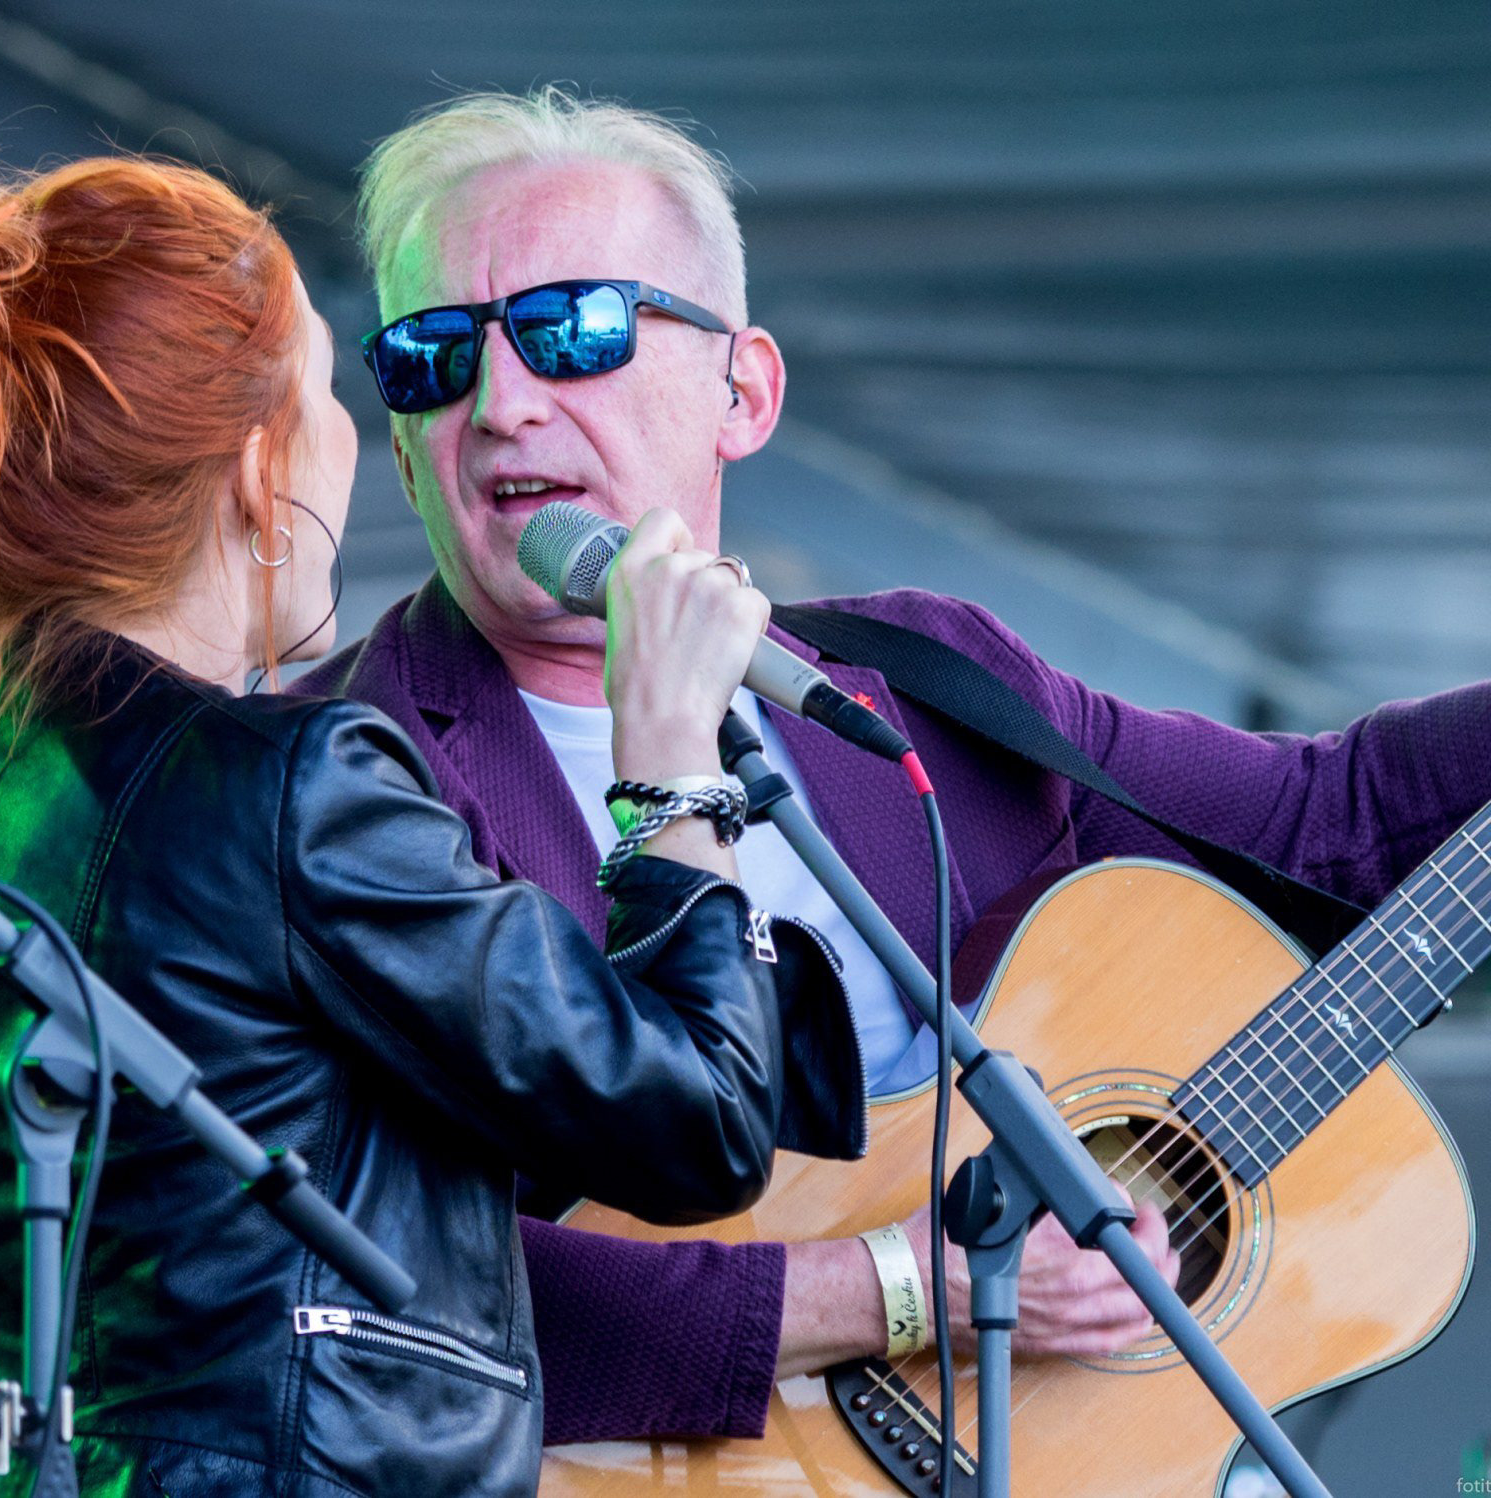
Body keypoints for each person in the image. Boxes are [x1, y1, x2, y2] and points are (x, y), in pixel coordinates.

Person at [0, 63, 844, 1496]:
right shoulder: (294, 796)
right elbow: (697, 1119)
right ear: (257, 470)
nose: (357, 440)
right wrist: (672, 763)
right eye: (333, 389)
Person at [300, 86, 1491, 1446]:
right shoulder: (326, 778)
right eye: (432, 355)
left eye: (575, 330)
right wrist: (899, 1289)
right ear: (402, 445)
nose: (501, 402)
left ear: (743, 391)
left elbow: (1332, 819)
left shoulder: (926, 681)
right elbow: (359, 1279)